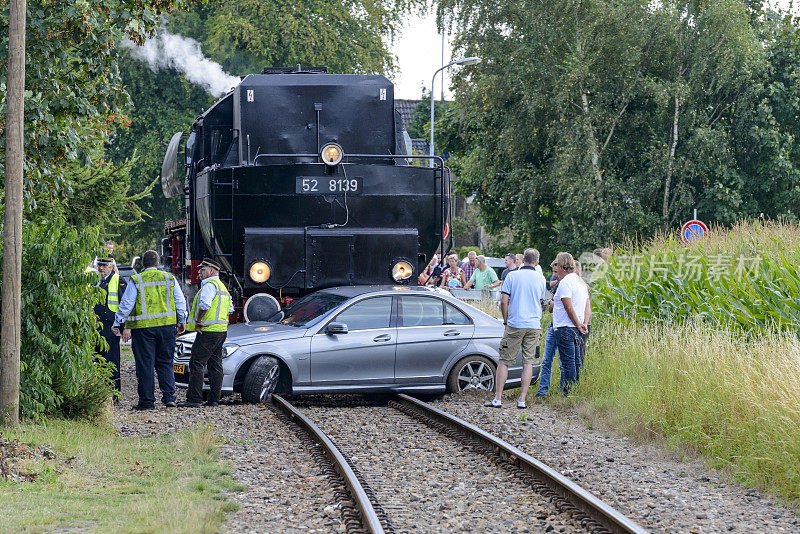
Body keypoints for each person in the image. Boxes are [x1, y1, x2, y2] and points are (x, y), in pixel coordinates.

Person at [113, 250, 187, 410]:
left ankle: (147, 401)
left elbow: (127, 304)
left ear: (142, 264)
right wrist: (182, 320)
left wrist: (118, 322)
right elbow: (180, 301)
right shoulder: (169, 278)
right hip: (167, 327)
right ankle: (169, 397)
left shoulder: (136, 279)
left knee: (145, 364)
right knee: (166, 362)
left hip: (143, 330)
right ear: (158, 263)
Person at [485, 248, 547, 408]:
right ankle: (522, 400)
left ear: (523, 260)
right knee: (528, 362)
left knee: (504, 360)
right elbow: (540, 301)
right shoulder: (541, 279)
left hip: (515, 323)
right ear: (537, 262)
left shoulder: (513, 276)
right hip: (533, 325)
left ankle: (498, 398)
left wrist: (506, 320)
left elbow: (504, 301)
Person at [179, 258, 234, 408]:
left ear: (212, 271)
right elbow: (230, 309)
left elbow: (205, 304)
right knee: (215, 365)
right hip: (220, 331)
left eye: (202, 269)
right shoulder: (222, 286)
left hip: (208, 331)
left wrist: (199, 320)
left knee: (196, 363)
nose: (199, 272)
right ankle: (213, 399)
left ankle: (194, 399)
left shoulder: (209, 286)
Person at [550, 252, 589, 394]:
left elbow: (568, 307)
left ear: (560, 266)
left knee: (568, 363)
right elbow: (587, 306)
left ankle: (569, 392)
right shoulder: (581, 282)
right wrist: (584, 323)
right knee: (576, 362)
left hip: (565, 327)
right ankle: (576, 390)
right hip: (576, 327)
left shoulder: (565, 283)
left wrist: (579, 324)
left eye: (557, 266)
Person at [94, 249, 126, 396]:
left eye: (105, 265)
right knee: (98, 360)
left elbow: (126, 305)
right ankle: (101, 394)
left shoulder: (118, 281)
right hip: (97, 327)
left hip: (111, 327)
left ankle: (114, 396)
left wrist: (123, 327)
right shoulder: (97, 282)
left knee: (111, 362)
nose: (101, 268)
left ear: (112, 266)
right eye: (100, 264)